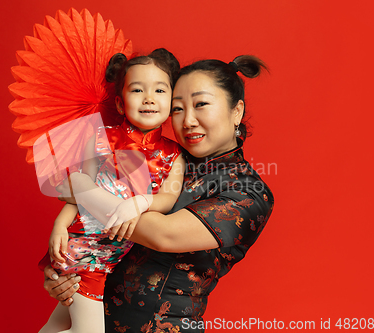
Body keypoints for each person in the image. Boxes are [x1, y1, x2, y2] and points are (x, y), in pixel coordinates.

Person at [44, 55, 275, 333]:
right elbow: (96, 236)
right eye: (177, 109)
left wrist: (84, 188)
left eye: (201, 104)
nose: (188, 120)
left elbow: (162, 235)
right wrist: (69, 269)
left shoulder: (247, 191)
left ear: (236, 111)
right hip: (93, 314)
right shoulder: (158, 157)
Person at [39, 49, 185, 333]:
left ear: (172, 100)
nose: (148, 98)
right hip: (87, 248)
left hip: (111, 254)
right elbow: (81, 188)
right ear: (119, 103)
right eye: (137, 89)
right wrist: (60, 223)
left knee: (58, 325)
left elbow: (168, 199)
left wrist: (140, 202)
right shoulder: (100, 136)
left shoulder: (173, 154)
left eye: (159, 89)